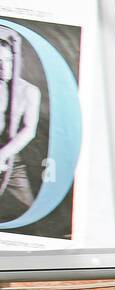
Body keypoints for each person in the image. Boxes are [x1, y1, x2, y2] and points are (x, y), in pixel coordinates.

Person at [0, 27, 43, 221]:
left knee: (28, 213)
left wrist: (2, 155)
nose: (4, 67)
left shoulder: (29, 91)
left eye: (8, 61)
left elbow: (29, 130)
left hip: (11, 159)